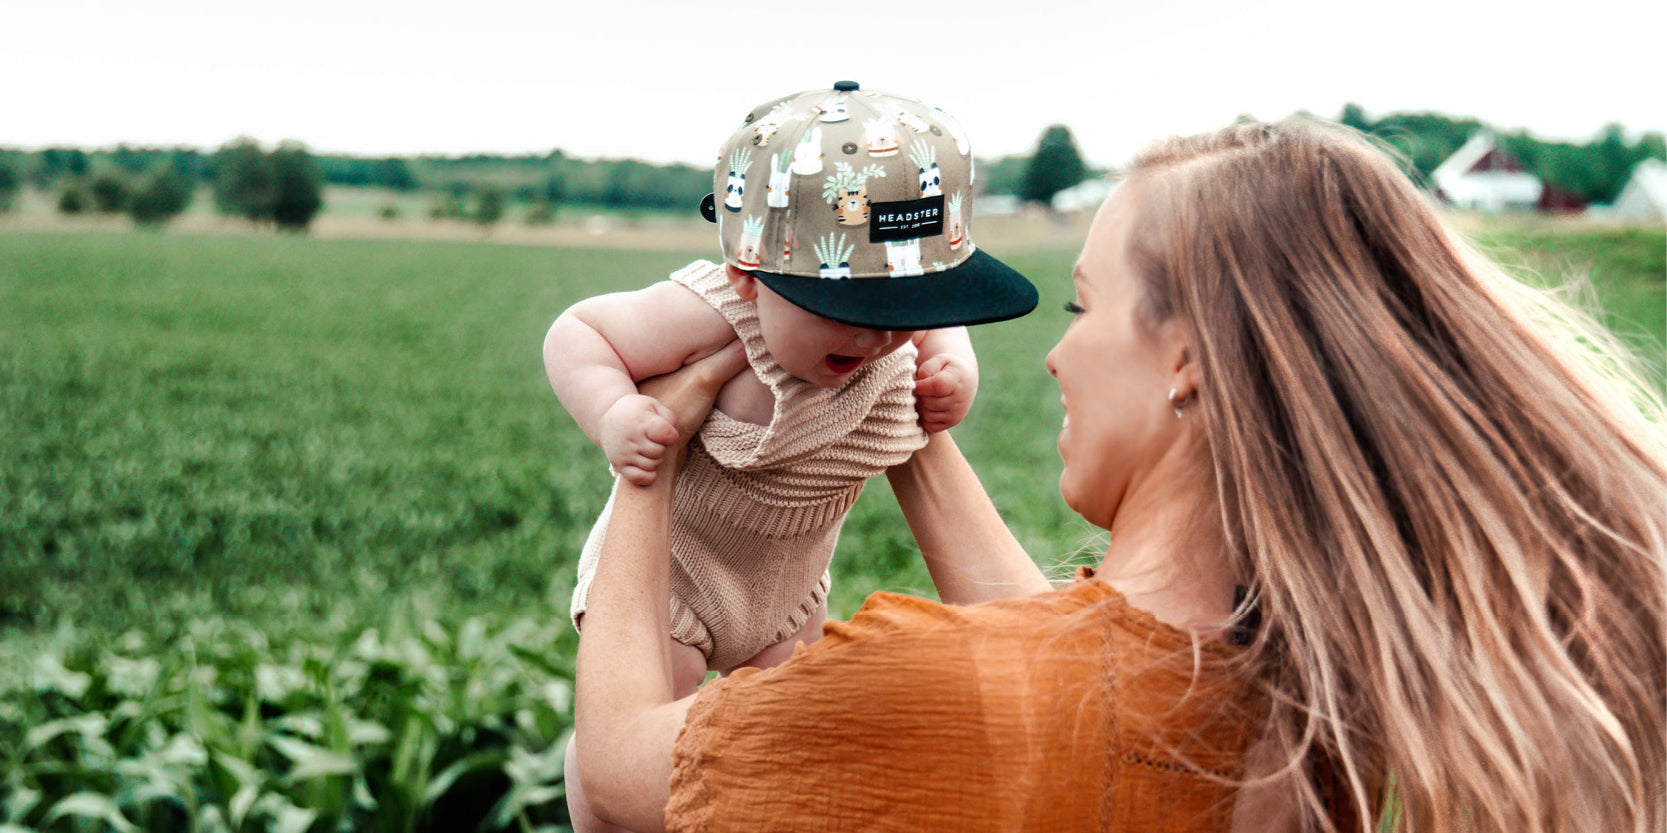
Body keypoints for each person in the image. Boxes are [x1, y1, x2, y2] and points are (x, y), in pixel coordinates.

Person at [571, 118, 1666, 833]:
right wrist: (883, 389)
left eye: (1084, 307)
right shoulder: (1285, 686)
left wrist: (651, 466)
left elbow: (620, 777)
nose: (1054, 353)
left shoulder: (930, 687)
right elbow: (1069, 658)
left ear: (1186, 356)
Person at [544, 83, 1039, 832]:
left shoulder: (900, 334)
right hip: (673, 575)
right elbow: (578, 334)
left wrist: (952, 376)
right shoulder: (709, 311)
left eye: (904, 313)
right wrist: (616, 412)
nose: (880, 338)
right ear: (748, 273)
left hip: (789, 588)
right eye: (851, 310)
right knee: (632, 765)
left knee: (779, 756)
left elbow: (943, 328)